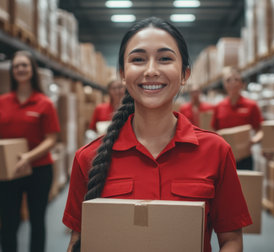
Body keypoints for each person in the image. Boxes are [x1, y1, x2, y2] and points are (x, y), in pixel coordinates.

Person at [63, 17, 251, 252]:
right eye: (138, 59)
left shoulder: (216, 151)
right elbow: (77, 242)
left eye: (165, 59)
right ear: (123, 73)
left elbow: (231, 240)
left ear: (185, 74)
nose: (151, 71)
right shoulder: (88, 158)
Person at [0, 50, 60, 252]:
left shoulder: (44, 103)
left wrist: (27, 156)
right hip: (9, 170)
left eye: (24, 65)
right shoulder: (3, 101)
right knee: (8, 223)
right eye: (16, 66)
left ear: (32, 70)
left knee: (37, 220)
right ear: (12, 71)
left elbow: (51, 139)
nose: (20, 69)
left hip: (39, 169)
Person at [211, 66, 263, 170]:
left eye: (236, 80)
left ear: (242, 84)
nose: (232, 83)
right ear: (224, 85)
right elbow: (213, 130)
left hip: (245, 157)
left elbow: (260, 130)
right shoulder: (219, 106)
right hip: (224, 157)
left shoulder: (251, 105)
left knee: (245, 185)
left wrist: (253, 141)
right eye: (228, 80)